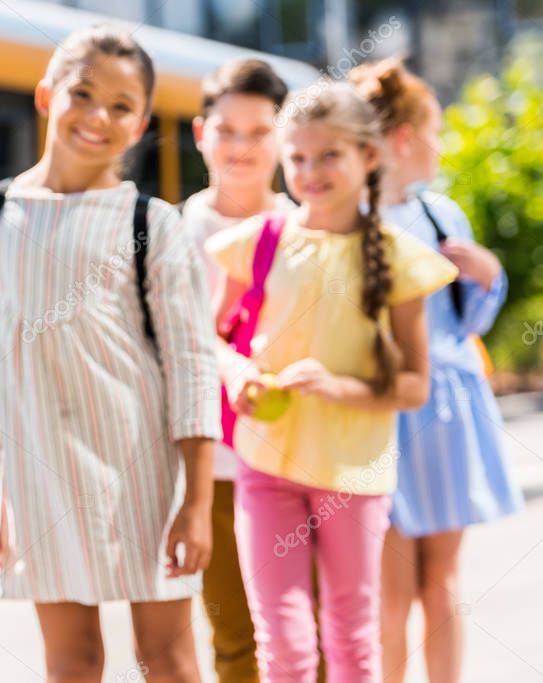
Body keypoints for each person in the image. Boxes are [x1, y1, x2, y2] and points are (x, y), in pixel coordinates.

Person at [0, 25, 222, 683]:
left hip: (145, 472)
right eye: (82, 93)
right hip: (36, 477)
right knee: (73, 662)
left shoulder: (152, 222)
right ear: (45, 96)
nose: (98, 116)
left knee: (169, 659)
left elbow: (190, 363)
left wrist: (197, 502)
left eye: (120, 106)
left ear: (140, 123)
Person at [206, 83, 458, 683]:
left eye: (328, 156)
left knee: (350, 642)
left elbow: (416, 385)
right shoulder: (259, 241)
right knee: (284, 647)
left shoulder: (399, 257)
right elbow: (208, 338)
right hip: (266, 467)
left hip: (355, 473)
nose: (309, 172)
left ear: (368, 158)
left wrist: (337, 386)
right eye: (297, 158)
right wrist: (236, 369)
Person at [350, 57, 524, 683]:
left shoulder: (430, 217)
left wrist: (485, 275)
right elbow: (468, 326)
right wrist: (488, 281)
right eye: (435, 130)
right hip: (405, 411)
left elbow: (467, 316)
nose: (441, 144)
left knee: (413, 583)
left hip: (423, 412)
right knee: (414, 584)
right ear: (403, 138)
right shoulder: (374, 223)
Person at [181, 58, 291, 683]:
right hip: (210, 469)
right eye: (228, 131)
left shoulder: (309, 230)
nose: (242, 147)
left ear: (283, 135)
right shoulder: (171, 232)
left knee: (312, 628)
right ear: (201, 132)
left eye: (260, 131)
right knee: (234, 637)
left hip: (298, 459)